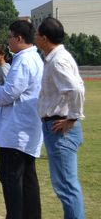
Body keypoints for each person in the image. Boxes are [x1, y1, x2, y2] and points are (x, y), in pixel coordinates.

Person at [0, 20, 43, 219]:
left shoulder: (23, 60)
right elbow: (15, 91)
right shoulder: (34, 58)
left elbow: (11, 93)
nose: (8, 41)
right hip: (26, 128)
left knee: (11, 176)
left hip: (17, 131)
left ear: (19, 38)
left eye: (10, 37)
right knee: (27, 179)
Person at [35, 17, 85, 219]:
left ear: (44, 38)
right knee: (65, 185)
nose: (36, 38)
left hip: (60, 127)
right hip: (55, 126)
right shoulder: (55, 58)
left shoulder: (58, 60)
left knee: (66, 186)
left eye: (37, 34)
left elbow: (75, 89)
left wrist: (72, 118)